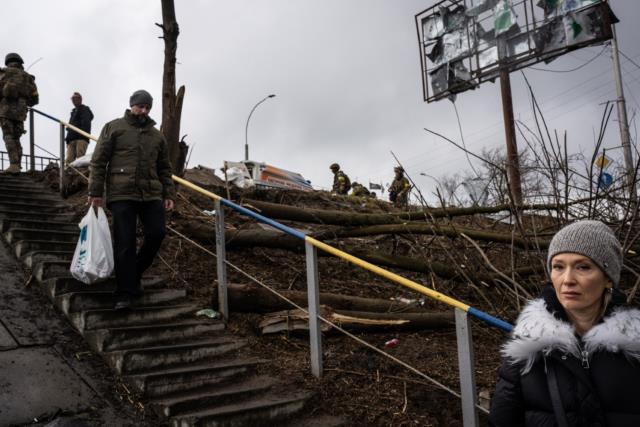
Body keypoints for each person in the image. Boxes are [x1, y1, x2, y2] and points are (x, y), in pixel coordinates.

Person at [490, 220, 640, 427]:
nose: (567, 279)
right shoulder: (526, 345)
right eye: (558, 267)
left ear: (608, 278)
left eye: (583, 267)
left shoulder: (635, 346)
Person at [88, 90, 176, 310]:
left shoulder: (157, 136)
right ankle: (125, 292)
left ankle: (133, 273)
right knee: (125, 242)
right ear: (131, 105)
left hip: (151, 194)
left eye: (148, 107)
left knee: (157, 233)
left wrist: (168, 194)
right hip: (121, 193)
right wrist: (95, 192)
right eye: (140, 107)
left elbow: (165, 168)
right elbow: (99, 161)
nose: (144, 111)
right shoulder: (114, 127)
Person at [0, 53, 39, 174]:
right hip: (21, 112)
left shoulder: (3, 73)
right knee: (16, 137)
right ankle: (17, 164)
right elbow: (35, 100)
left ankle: (14, 165)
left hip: (5, 110)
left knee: (8, 136)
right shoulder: (28, 77)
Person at [65, 92, 94, 165]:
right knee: (69, 160)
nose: (74, 101)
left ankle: (79, 175)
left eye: (75, 99)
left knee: (80, 159)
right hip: (71, 139)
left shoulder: (85, 109)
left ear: (80, 99)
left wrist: (83, 137)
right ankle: (68, 175)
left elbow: (86, 124)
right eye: (73, 99)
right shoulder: (73, 112)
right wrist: (68, 139)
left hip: (81, 138)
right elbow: (70, 126)